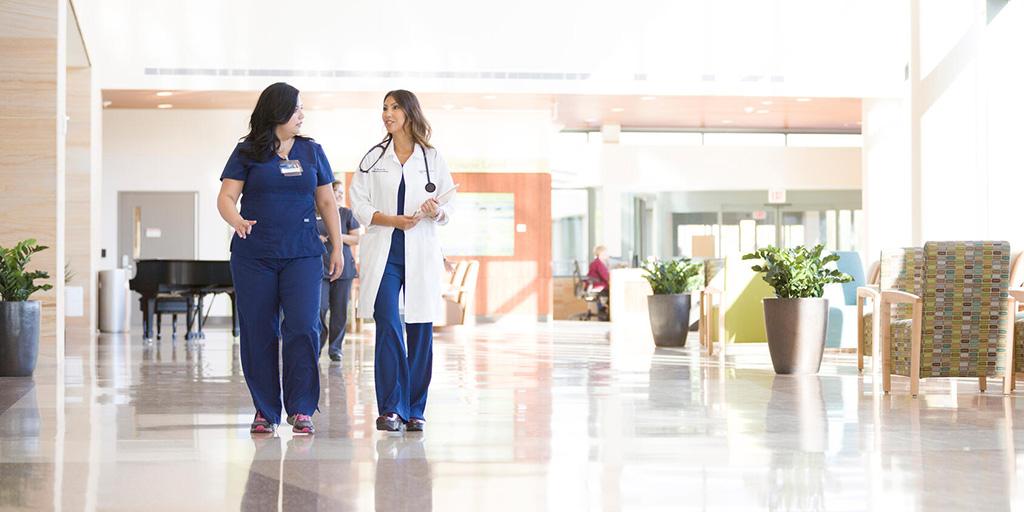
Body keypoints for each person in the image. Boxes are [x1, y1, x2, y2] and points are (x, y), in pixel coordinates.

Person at [217, 82, 343, 435]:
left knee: (303, 326)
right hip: (254, 255)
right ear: (278, 111)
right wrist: (236, 220)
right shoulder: (247, 151)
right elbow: (226, 197)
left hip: (302, 253)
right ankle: (265, 409)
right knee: (258, 331)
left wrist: (337, 246)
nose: (302, 115)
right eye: (297, 108)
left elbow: (326, 201)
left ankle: (301, 408)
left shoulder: (312, 151)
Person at [349, 89, 455, 433]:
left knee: (420, 327)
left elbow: (449, 205)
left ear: (410, 112)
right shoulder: (373, 158)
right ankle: (392, 408)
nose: (387, 113)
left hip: (421, 250)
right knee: (388, 322)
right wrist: (390, 219)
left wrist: (436, 211)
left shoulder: (432, 157)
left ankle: (415, 409)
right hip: (385, 251)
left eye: (394, 107)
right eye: (384, 107)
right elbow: (358, 203)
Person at [316, 181, 360, 362]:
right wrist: (316, 237)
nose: (340, 194)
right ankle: (318, 345)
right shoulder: (316, 213)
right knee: (319, 309)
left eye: (342, 192)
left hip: (343, 269)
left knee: (339, 311)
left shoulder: (347, 214)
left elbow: (356, 239)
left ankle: (335, 349)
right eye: (336, 191)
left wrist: (337, 236)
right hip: (320, 269)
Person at [588, 245, 611, 319]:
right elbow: (606, 277)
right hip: (598, 287)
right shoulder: (598, 263)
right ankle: (603, 312)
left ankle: (603, 311)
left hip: (597, 286)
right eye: (606, 253)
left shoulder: (598, 262)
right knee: (613, 294)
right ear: (601, 253)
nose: (607, 255)